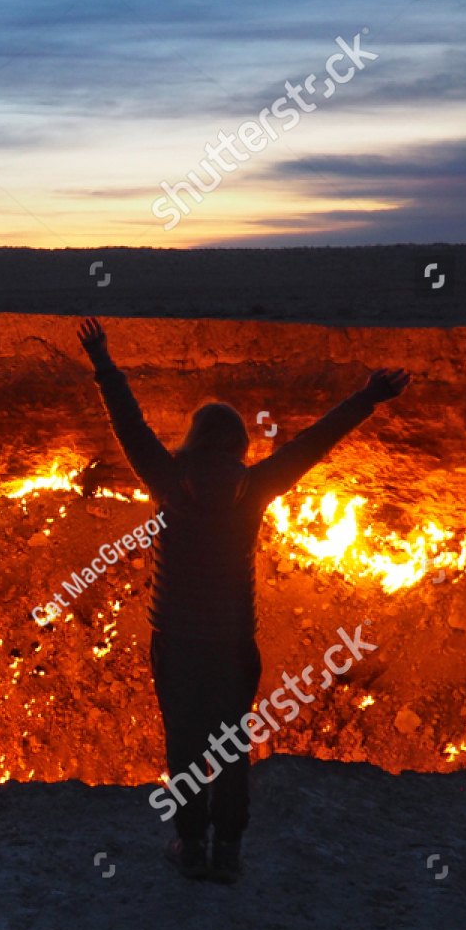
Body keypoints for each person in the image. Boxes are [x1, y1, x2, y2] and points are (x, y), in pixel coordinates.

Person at [77, 318, 410, 883]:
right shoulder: (255, 485)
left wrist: (104, 364)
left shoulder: (166, 476)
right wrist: (367, 398)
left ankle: (190, 845)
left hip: (176, 642)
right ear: (239, 445)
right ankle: (228, 851)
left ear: (193, 438)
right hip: (232, 642)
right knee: (230, 746)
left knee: (184, 745)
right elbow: (314, 441)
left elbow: (128, 426)